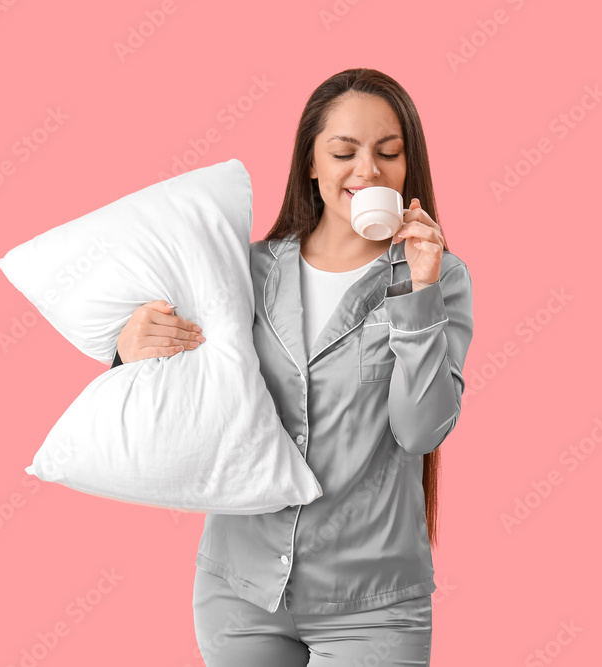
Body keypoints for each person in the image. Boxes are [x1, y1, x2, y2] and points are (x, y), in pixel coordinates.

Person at [113, 68, 473, 666]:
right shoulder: (246, 271)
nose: (368, 171)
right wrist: (127, 348)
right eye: (343, 151)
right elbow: (177, 386)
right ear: (311, 163)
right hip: (241, 591)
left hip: (373, 604)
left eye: (389, 152)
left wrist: (420, 289)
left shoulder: (440, 277)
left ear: (409, 167)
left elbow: (421, 430)